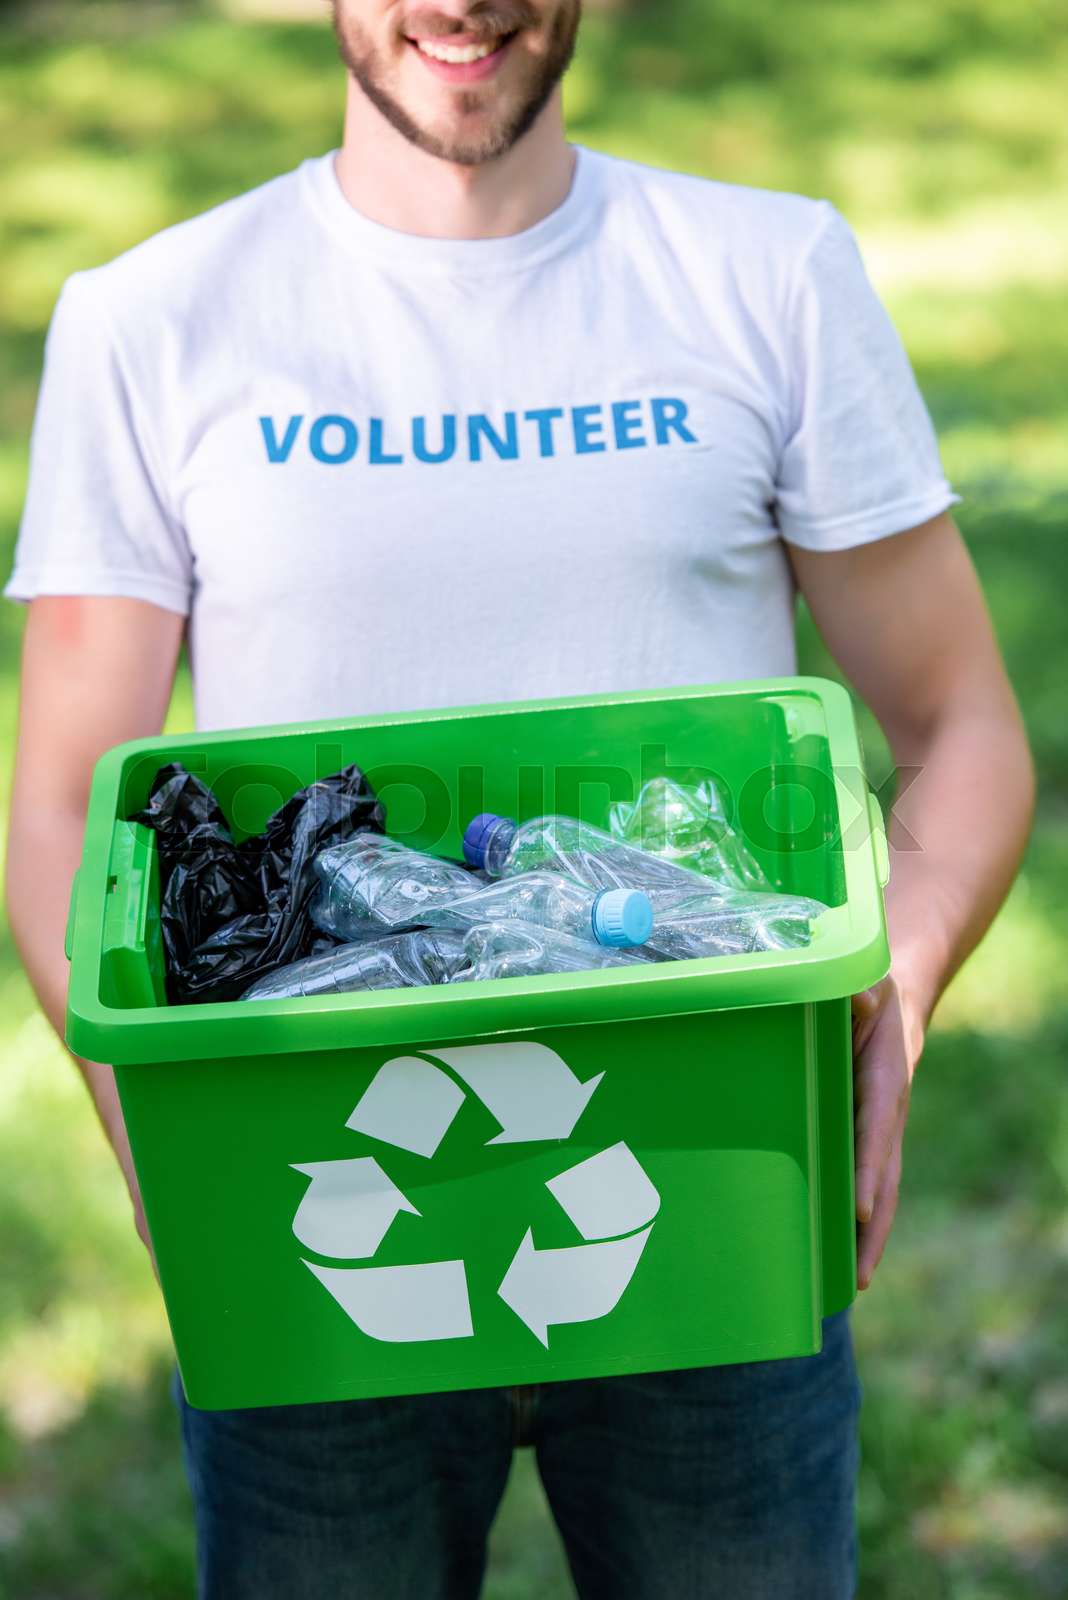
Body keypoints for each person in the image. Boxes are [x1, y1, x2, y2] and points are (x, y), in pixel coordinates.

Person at [3, 3, 1034, 1596]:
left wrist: (890, 990)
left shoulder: (766, 274)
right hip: (316, 1194)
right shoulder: (158, 319)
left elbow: (963, 722)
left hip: (712, 1177)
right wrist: (150, 1114)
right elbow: (64, 809)